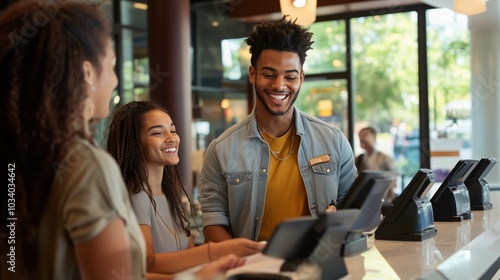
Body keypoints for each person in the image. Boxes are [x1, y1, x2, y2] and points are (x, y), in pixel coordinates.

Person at [0, 1, 244, 279]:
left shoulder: (20, 160)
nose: (116, 80)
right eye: (112, 66)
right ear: (88, 73)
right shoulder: (88, 166)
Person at [199, 16, 358, 243]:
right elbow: (214, 224)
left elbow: (353, 209)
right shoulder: (221, 150)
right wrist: (250, 261)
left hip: (321, 264)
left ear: (301, 78)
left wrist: (339, 219)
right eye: (269, 74)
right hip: (253, 271)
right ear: (253, 74)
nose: (279, 85)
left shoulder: (333, 140)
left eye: (290, 77)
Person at [106, 100, 265, 276]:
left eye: (173, 130)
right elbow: (146, 262)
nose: (171, 138)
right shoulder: (136, 196)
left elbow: (188, 259)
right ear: (134, 143)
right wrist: (215, 251)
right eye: (158, 133)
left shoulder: (171, 196)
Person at [356, 126, 397, 203]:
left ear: (374, 137)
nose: (362, 138)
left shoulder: (384, 157)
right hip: (365, 198)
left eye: (365, 135)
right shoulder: (359, 158)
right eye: (360, 136)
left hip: (382, 197)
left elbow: (394, 179)